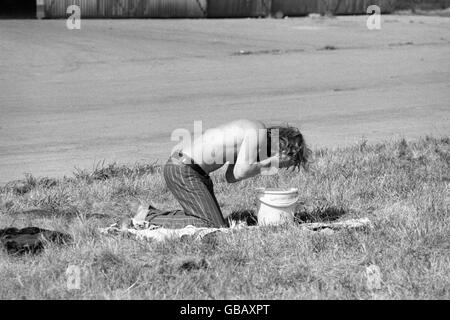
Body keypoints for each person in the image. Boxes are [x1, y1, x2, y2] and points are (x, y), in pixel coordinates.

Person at [134, 119, 310, 229]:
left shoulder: (253, 131)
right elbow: (241, 172)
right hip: (184, 170)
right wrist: (273, 162)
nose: (272, 158)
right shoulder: (258, 132)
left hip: (187, 168)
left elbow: (230, 177)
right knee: (211, 225)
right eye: (282, 157)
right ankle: (149, 217)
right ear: (283, 146)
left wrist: (266, 162)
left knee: (210, 221)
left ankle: (150, 214)